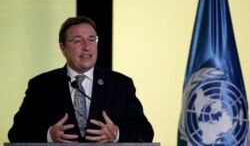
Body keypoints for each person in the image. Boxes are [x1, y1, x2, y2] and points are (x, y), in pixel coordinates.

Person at [8, 16, 154, 143]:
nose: (87, 47)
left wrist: (117, 134)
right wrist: (49, 135)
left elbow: (145, 133)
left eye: (92, 39)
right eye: (78, 41)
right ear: (62, 48)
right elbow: (16, 133)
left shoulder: (121, 85)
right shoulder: (41, 86)